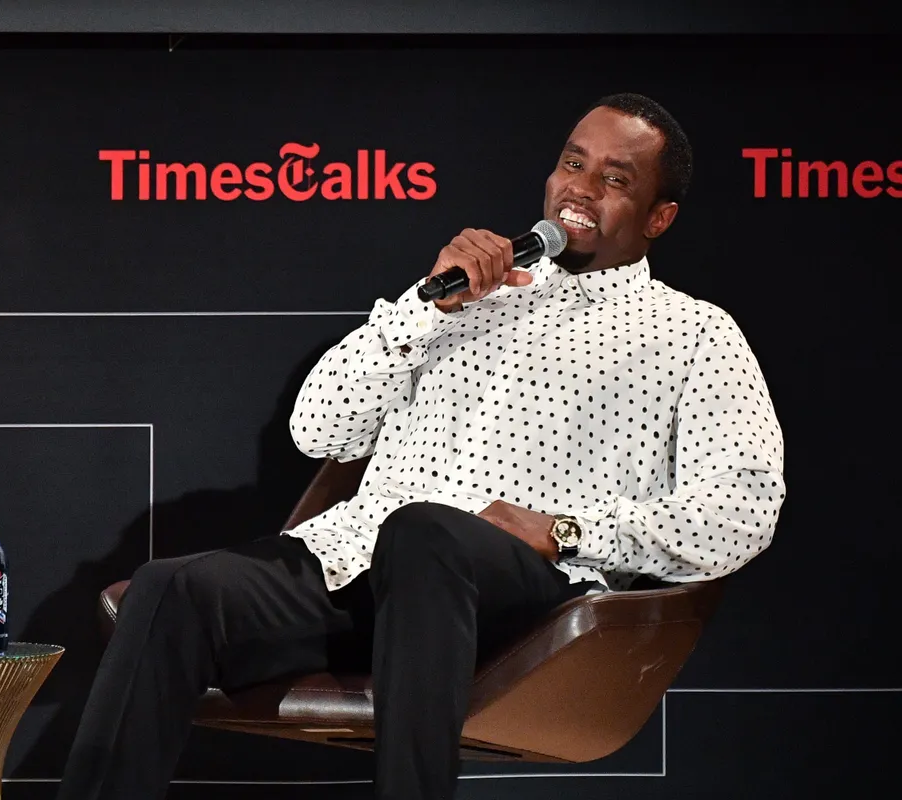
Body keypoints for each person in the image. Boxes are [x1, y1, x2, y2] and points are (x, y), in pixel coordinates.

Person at [57, 92, 786, 800]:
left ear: (660, 216)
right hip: (364, 568)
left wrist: (568, 532)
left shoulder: (695, 334)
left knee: (426, 532)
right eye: (574, 163)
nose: (581, 189)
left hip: (524, 595)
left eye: (615, 179)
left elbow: (745, 506)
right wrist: (420, 308)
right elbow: (318, 429)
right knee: (169, 591)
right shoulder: (460, 297)